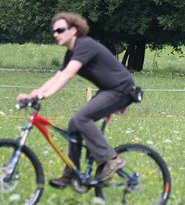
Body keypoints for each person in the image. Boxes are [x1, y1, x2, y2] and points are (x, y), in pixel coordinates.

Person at [16, 12, 137, 188]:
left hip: (122, 90)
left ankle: (112, 159)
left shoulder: (85, 45)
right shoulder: (71, 52)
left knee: (81, 119)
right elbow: (58, 76)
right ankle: (71, 174)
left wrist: (44, 95)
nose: (55, 34)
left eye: (60, 30)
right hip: (108, 90)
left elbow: (68, 74)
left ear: (73, 30)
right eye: (54, 31)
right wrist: (34, 93)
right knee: (74, 124)